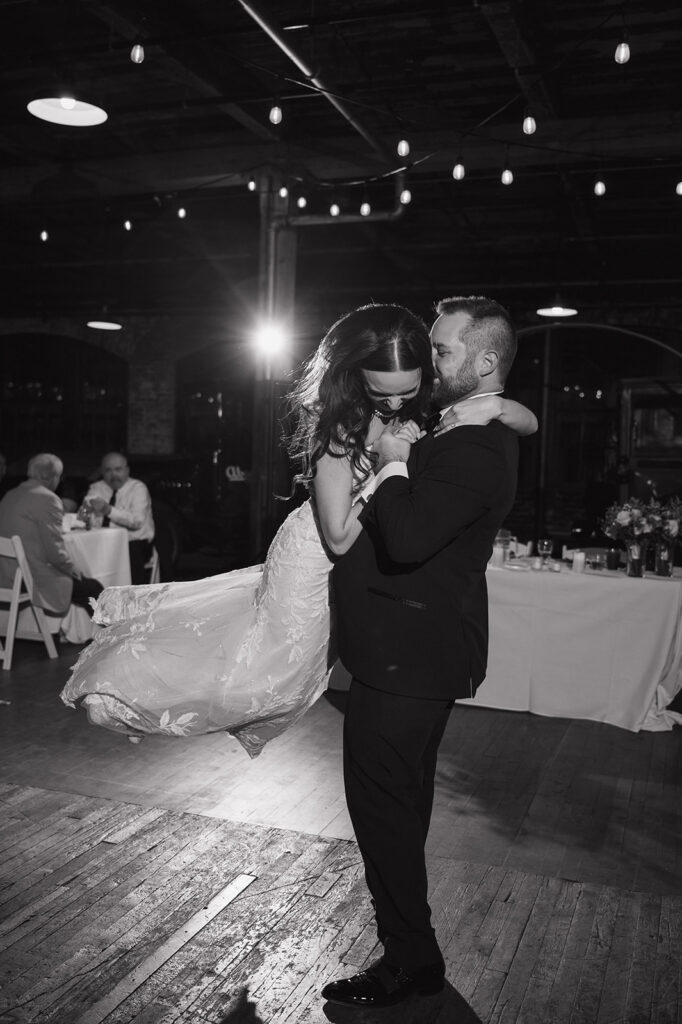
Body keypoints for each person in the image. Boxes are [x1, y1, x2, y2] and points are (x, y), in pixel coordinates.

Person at [59, 303, 535, 757]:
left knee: (259, 659)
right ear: (355, 375)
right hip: (315, 550)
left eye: (407, 393)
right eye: (381, 391)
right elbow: (341, 536)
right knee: (259, 675)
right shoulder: (341, 425)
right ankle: (131, 696)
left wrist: (500, 409)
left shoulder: (417, 399)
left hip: (338, 558)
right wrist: (392, 465)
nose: (394, 402)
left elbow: (526, 422)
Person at [320, 295, 522, 1009]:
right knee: (395, 811)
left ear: (485, 360)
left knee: (385, 816)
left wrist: (396, 462)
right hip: (403, 656)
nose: (431, 364)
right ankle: (413, 955)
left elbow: (406, 539)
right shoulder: (473, 425)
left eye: (442, 351)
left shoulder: (474, 448)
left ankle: (411, 963)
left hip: (411, 660)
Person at [0, 453, 104, 620]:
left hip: (4, 575)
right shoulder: (47, 498)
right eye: (59, 476)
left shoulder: (10, 494)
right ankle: (121, 639)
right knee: (93, 589)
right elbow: (54, 551)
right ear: (49, 476)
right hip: (28, 578)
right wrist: (74, 570)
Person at [81, 452, 155, 584]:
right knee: (81, 555)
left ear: (127, 470)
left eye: (118, 469)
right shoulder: (97, 488)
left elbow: (136, 522)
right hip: (103, 542)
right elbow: (83, 516)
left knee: (130, 554)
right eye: (108, 470)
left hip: (133, 542)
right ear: (102, 472)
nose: (113, 475)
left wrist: (108, 510)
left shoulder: (138, 488)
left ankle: (134, 599)